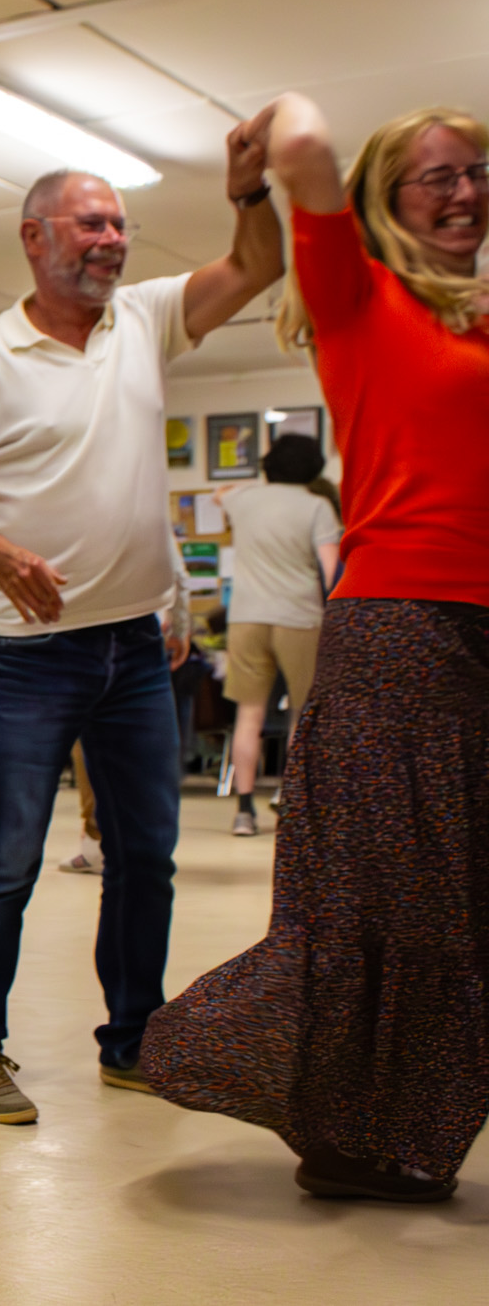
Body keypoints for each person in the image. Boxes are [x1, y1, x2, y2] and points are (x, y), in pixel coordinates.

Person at [143, 97, 489, 1202]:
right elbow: (300, 139)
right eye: (438, 174)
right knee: (384, 904)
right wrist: (257, 152)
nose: (466, 192)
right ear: (386, 198)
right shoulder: (356, 295)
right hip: (399, 632)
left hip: (474, 632)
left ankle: (397, 1129)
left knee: (459, 901)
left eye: (478, 172)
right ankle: (347, 1135)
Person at [0, 112, 285, 1124]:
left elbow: (259, 264)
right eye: (92, 223)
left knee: (145, 857)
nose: (113, 239)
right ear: (34, 237)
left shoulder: (145, 317)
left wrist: (248, 191)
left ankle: (133, 1038)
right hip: (31, 651)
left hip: (134, 645)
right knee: (7, 857)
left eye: (119, 224)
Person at [212, 431, 340, 835]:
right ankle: (291, 801)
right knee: (302, 715)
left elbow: (219, 494)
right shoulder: (317, 506)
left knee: (248, 714)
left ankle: (243, 812)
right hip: (300, 617)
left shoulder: (244, 499)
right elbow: (332, 572)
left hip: (246, 617)